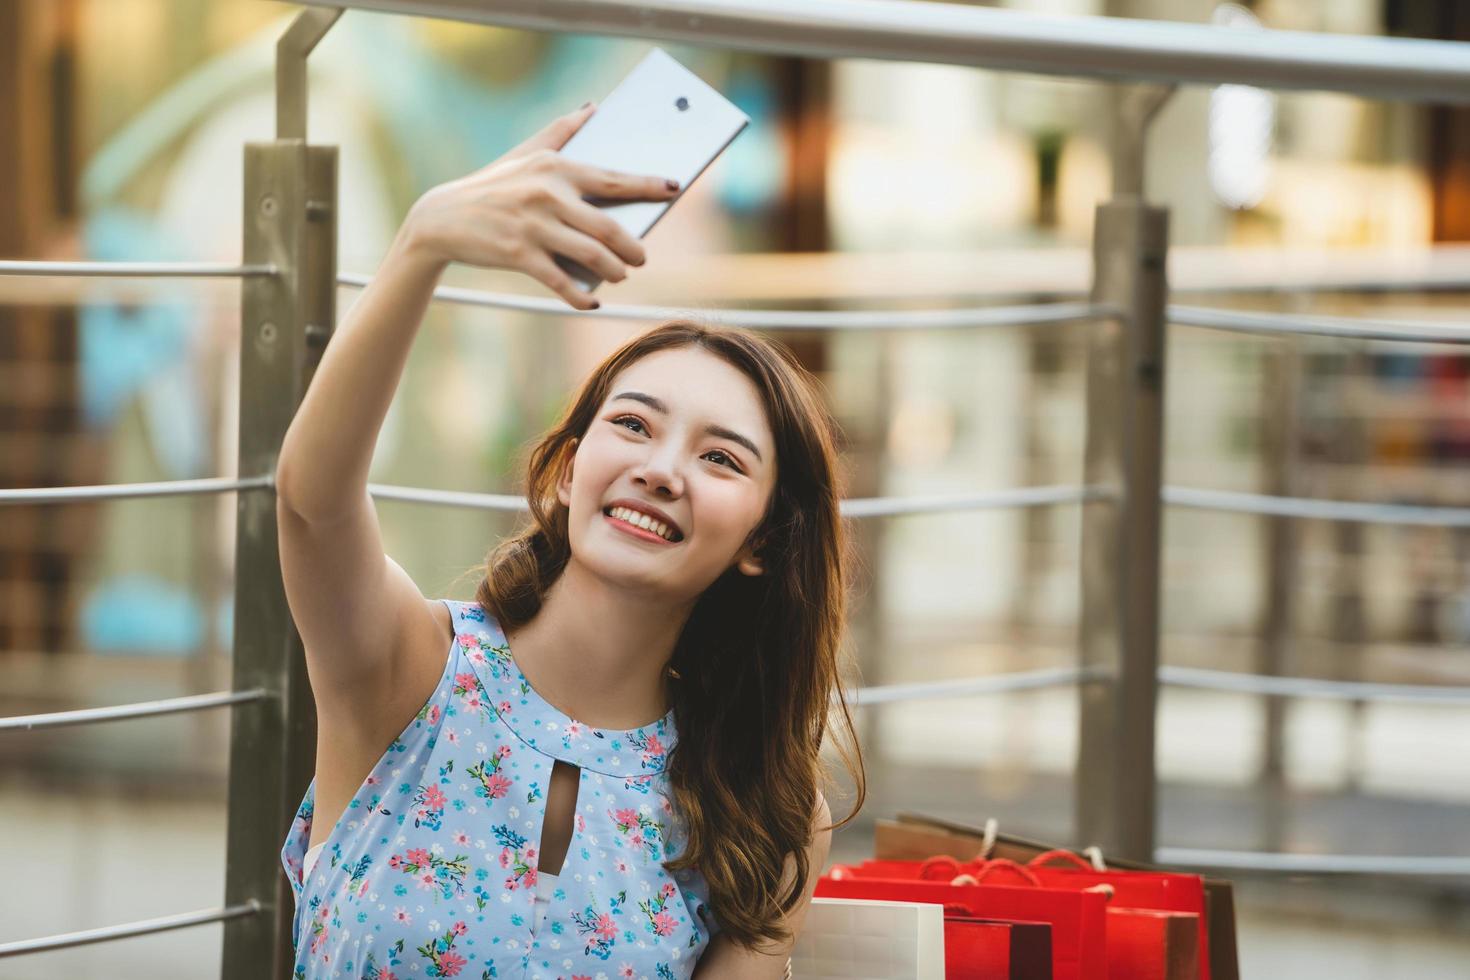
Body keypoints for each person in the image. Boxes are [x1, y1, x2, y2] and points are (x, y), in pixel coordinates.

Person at [274, 101, 865, 980]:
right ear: (566, 469)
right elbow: (312, 502)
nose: (662, 468)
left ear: (765, 544)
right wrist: (423, 244)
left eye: (719, 457)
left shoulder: (763, 812)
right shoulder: (410, 670)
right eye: (633, 424)